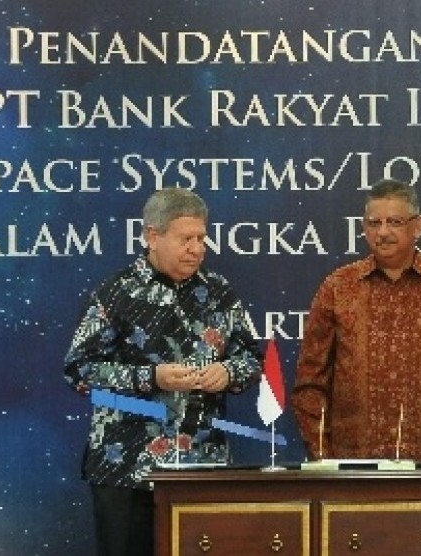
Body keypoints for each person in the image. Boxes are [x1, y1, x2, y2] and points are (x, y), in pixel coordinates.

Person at [63, 187, 262, 556]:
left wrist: (229, 373)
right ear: (152, 236)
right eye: (186, 239)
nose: (197, 248)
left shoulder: (221, 293)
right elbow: (79, 371)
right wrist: (150, 378)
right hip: (125, 470)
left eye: (202, 238)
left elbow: (253, 360)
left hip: (204, 467)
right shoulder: (113, 294)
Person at [292, 178, 421, 461]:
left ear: (418, 226)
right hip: (353, 469)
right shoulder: (338, 288)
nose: (383, 232)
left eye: (395, 222)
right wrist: (322, 459)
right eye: (374, 223)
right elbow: (310, 381)